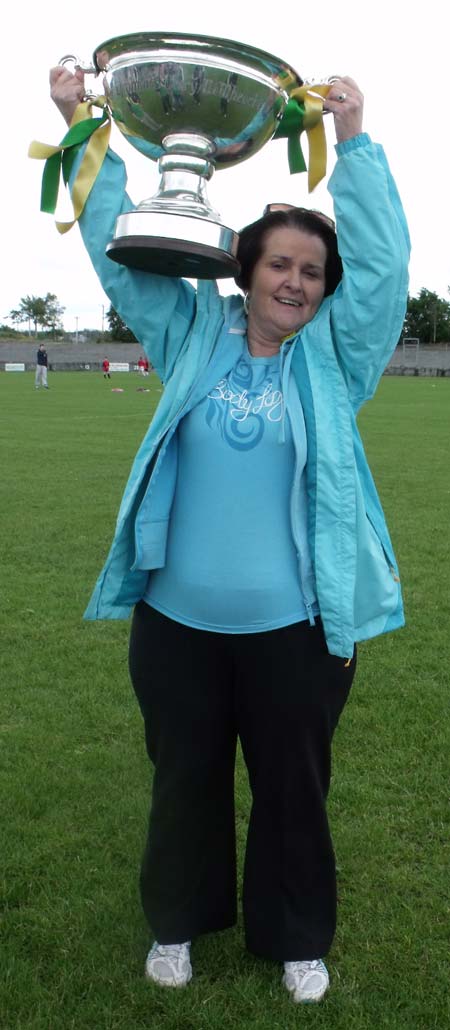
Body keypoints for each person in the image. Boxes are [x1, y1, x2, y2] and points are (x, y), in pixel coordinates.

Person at [49, 66, 410, 1004]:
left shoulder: (338, 360)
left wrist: (357, 146)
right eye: (279, 263)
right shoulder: (188, 339)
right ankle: (175, 926)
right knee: (183, 787)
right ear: (244, 269)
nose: (295, 281)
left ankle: (296, 938)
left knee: (295, 796)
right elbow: (119, 255)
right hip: (176, 631)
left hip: (298, 633)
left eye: (312, 272)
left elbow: (384, 273)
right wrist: (81, 127)